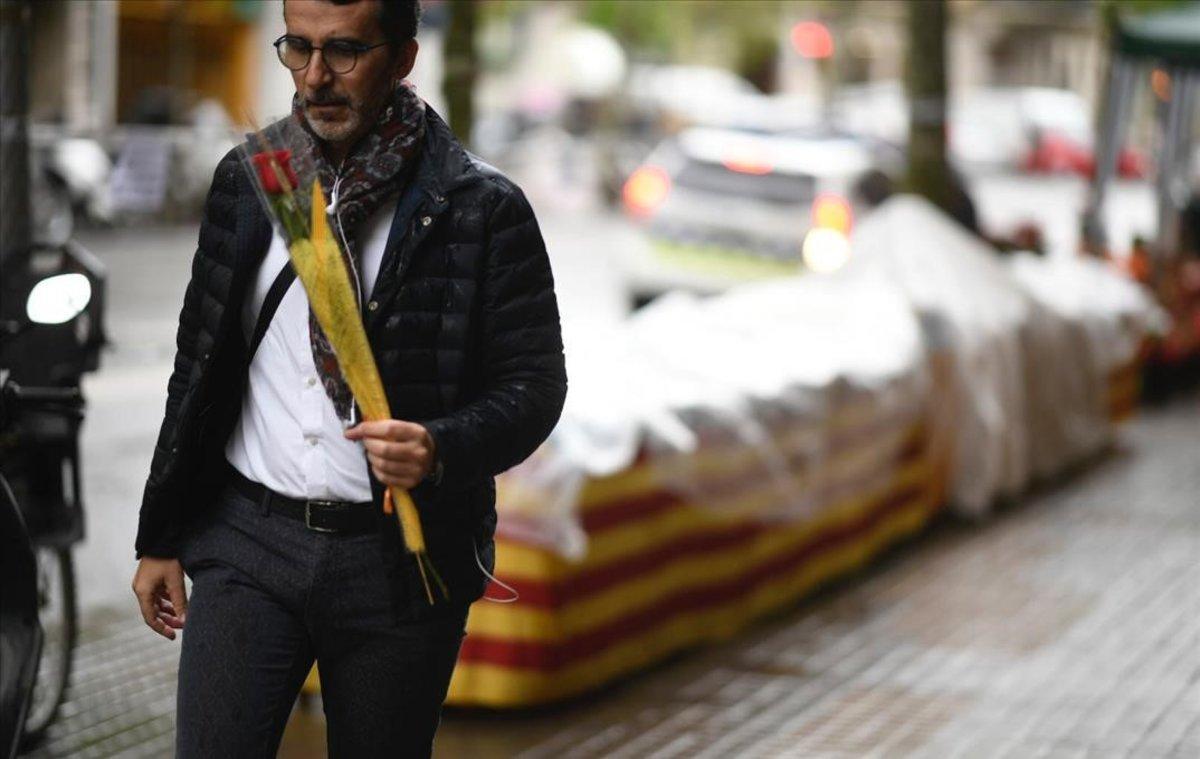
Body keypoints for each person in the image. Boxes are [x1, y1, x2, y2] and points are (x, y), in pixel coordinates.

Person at [129, 1, 567, 756]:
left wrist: (438, 444)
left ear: (402, 57)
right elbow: (199, 366)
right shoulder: (254, 177)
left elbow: (534, 387)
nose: (314, 75)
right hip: (246, 545)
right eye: (297, 48)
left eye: (344, 52)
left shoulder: (478, 208)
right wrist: (159, 535)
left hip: (393, 564)